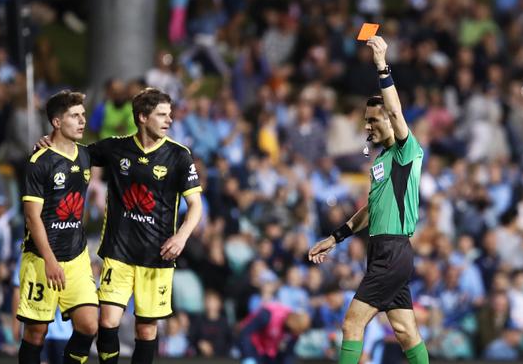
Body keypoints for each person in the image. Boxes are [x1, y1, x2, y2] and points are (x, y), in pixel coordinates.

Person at [39, 87, 203, 364]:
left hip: (157, 256)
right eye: (162, 114)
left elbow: (196, 205)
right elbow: (76, 153)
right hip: (119, 252)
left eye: (170, 114)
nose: (169, 120)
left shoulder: (179, 156)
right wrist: (51, 144)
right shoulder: (116, 148)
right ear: (142, 117)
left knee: (146, 328)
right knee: (107, 321)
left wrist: (181, 237)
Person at [308, 36, 429, 364]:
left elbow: (394, 107)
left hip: (392, 251)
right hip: (385, 252)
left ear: (391, 121)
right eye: (366, 119)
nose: (367, 125)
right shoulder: (380, 160)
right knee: (405, 332)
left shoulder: (405, 151)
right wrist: (336, 237)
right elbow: (370, 209)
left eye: (374, 119)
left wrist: (381, 65)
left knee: (352, 323)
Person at [18, 90, 98, 364]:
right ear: (56, 122)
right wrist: (51, 261)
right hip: (42, 259)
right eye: (75, 116)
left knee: (89, 326)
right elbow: (32, 217)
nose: (82, 121)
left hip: (76, 257)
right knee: (35, 332)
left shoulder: (87, 155)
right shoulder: (39, 162)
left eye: (83, 115)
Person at [238, 302, 311, 364]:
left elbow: (288, 353)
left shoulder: (295, 332)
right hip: (254, 347)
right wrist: (248, 356)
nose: (295, 334)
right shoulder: (267, 315)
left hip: (271, 352)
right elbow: (245, 334)